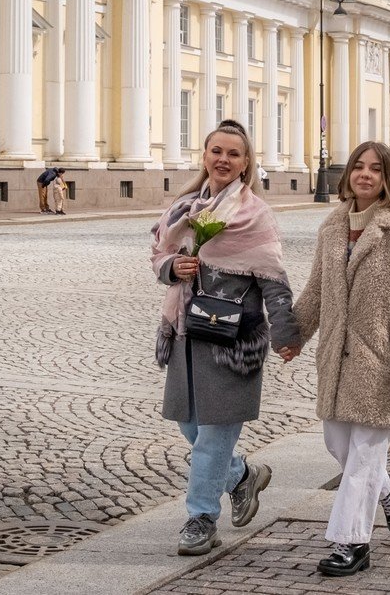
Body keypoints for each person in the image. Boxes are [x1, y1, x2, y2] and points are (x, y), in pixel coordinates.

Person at [151, 119, 301, 557]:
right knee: (191, 426)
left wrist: (285, 333)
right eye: (216, 151)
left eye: (233, 154)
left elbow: (274, 280)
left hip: (233, 342)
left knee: (215, 435)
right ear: (204, 156)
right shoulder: (184, 208)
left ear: (246, 163)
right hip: (187, 333)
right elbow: (159, 253)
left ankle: (200, 519)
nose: (223, 159)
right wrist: (172, 267)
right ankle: (241, 477)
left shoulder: (255, 215)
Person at [285, 140, 390, 577]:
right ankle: (388, 493)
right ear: (347, 174)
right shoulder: (331, 227)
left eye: (376, 169)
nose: (365, 175)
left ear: (389, 179)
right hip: (336, 360)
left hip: (380, 363)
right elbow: (316, 290)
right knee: (340, 447)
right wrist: (294, 335)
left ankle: (350, 543)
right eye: (358, 167)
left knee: (364, 457)